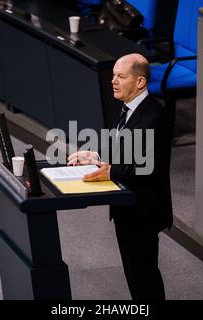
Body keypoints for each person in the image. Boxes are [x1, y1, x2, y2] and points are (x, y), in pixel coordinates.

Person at [67, 53, 173, 300]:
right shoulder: (127, 108)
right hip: (126, 204)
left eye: (120, 76)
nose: (113, 81)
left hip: (144, 209)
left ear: (140, 82)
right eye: (113, 75)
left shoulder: (153, 117)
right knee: (134, 273)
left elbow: (150, 167)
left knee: (144, 275)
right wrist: (95, 157)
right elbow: (123, 151)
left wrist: (111, 171)